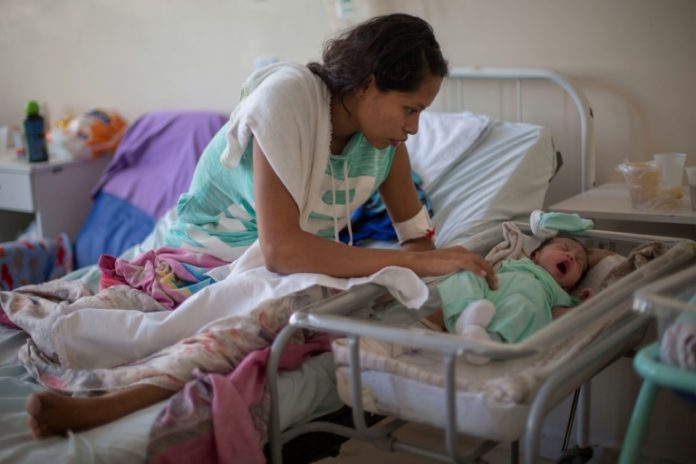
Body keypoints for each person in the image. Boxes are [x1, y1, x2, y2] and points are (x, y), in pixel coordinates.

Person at [25, 14, 497, 439]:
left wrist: (439, 277)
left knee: (300, 312)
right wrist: (411, 261)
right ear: (370, 85)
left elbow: (417, 236)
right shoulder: (288, 100)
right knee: (284, 311)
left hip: (273, 265)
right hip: (204, 259)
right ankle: (117, 399)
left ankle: (125, 396)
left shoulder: (384, 144)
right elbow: (282, 252)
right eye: (410, 109)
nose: (414, 127)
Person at [428, 236, 591, 364]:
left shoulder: (558, 293)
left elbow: (557, 316)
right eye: (564, 248)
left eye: (579, 262)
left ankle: (487, 343)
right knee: (469, 273)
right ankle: (463, 317)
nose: (571, 256)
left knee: (526, 306)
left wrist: (585, 306)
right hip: (491, 292)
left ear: (571, 285)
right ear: (535, 255)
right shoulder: (519, 263)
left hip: (514, 306)